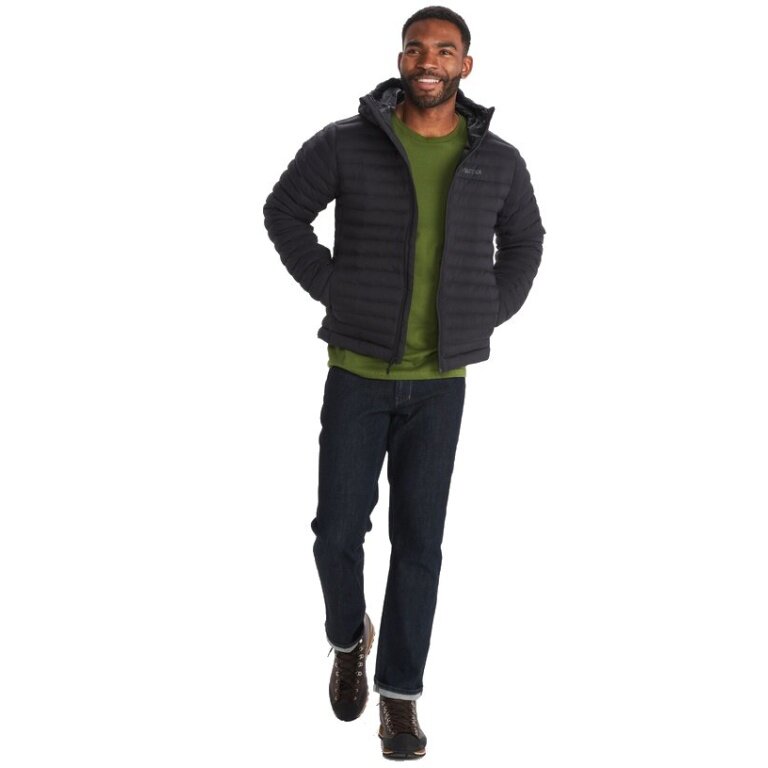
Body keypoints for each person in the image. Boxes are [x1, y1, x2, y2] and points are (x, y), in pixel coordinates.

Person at [263, 5, 546, 759]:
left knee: (419, 544)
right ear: (401, 60)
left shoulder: (499, 161)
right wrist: (337, 290)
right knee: (335, 533)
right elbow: (284, 212)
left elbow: (525, 241)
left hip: (441, 383)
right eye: (417, 48)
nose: (429, 60)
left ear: (465, 67)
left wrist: (487, 308)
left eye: (445, 50)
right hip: (356, 373)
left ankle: (400, 696)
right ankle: (347, 637)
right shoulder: (347, 143)